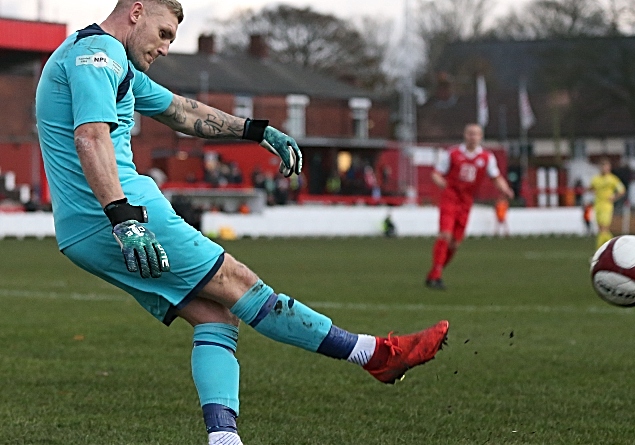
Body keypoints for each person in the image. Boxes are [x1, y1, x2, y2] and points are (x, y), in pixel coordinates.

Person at [34, 2, 449, 444]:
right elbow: (91, 135)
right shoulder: (98, 54)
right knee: (241, 285)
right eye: (164, 33)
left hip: (85, 228)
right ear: (136, 11)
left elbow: (181, 111)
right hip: (122, 214)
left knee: (217, 316)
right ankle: (375, 355)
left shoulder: (113, 64)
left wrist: (256, 131)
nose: (167, 47)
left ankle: (224, 439)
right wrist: (125, 218)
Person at [426, 123, 514, 290]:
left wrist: (506, 189)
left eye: (476, 134)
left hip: (466, 201)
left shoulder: (487, 157)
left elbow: (496, 177)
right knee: (445, 234)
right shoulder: (452, 154)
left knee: (455, 244)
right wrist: (442, 183)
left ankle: (434, 273)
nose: (472, 137)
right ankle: (437, 275)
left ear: (481, 137)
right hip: (450, 198)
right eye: (470, 133)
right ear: (465, 135)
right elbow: (436, 173)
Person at [588, 158, 626, 249]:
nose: (604, 168)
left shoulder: (613, 179)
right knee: (602, 229)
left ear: (609, 168)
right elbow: (591, 188)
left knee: (603, 228)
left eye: (606, 166)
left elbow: (622, 190)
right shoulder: (595, 179)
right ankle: (614, 246)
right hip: (598, 205)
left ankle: (599, 249)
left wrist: (614, 197)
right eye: (602, 166)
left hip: (607, 205)